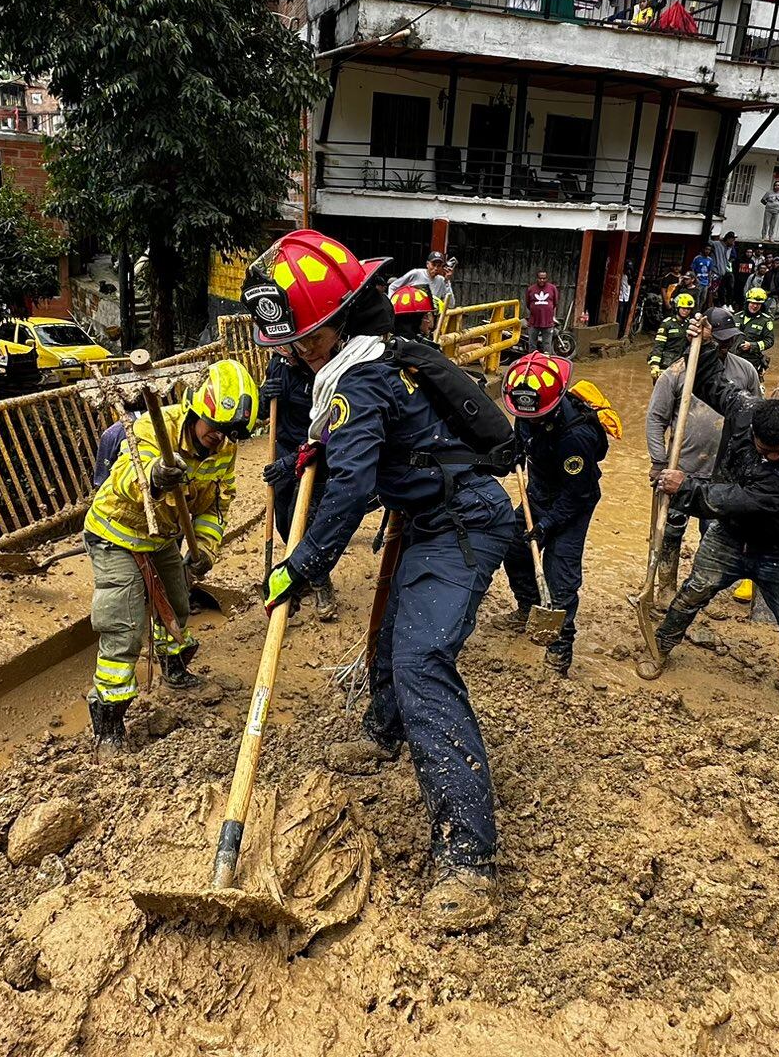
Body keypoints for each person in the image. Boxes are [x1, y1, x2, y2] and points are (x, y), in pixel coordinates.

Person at [245, 228, 519, 932]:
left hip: (463, 522)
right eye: (295, 346)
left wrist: (302, 566)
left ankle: (469, 858)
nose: (300, 356)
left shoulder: (360, 378)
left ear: (342, 322)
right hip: (428, 518)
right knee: (392, 631)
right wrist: (305, 458)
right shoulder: (369, 365)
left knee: (422, 659)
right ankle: (384, 729)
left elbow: (355, 485)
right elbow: (364, 462)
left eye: (308, 342)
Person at [83, 359, 257, 754]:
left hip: (162, 537)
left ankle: (175, 672)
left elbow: (217, 503)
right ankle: (108, 719)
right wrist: (156, 479)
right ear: (196, 409)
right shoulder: (151, 429)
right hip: (117, 532)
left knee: (177, 605)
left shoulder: (223, 450)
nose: (220, 437)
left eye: (230, 431)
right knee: (123, 623)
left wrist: (206, 547)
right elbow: (128, 478)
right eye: (215, 425)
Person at [648, 315, 779, 701]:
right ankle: (659, 647)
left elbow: (738, 499)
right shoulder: (748, 411)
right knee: (693, 592)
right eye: (762, 450)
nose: (770, 458)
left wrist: (686, 487)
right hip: (730, 537)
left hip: (778, 547)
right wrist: (706, 344)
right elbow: (711, 382)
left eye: (777, 454)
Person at [496, 353, 609, 676]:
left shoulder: (576, 437)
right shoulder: (527, 406)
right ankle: (527, 607)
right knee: (514, 551)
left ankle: (559, 651)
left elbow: (578, 495)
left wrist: (546, 525)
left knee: (561, 580)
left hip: (572, 504)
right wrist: (516, 450)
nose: (526, 419)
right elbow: (522, 436)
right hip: (538, 493)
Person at [646, 315, 758, 600]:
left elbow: (757, 416)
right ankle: (665, 588)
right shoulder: (676, 372)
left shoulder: (745, 371)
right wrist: (659, 462)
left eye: (729, 340)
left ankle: (701, 593)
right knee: (670, 531)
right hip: (680, 469)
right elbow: (656, 419)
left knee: (716, 536)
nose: (724, 345)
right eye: (718, 340)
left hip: (722, 474)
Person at [259, 339, 342, 622]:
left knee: (303, 520)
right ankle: (300, 572)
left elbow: (331, 431)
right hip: (284, 447)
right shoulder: (278, 365)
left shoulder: (327, 371)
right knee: (283, 520)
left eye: (288, 352)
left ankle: (320, 582)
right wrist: (264, 397)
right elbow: (261, 415)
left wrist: (290, 462)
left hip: (316, 451)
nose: (285, 358)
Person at [91, 392, 151, 488]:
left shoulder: (111, 434)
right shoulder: (162, 422)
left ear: (114, 408)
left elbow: (103, 480)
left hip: (129, 490)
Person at [648, 291, 698, 377]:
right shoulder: (667, 324)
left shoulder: (690, 325)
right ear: (677, 307)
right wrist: (655, 365)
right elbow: (659, 345)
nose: (686, 311)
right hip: (666, 365)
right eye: (683, 308)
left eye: (688, 309)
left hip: (681, 366)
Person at [736, 287, 777, 371]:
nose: (755, 306)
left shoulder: (766, 321)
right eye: (752, 303)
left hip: (752, 360)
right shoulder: (735, 317)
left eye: (758, 304)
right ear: (747, 302)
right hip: (734, 358)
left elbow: (769, 341)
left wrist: (752, 345)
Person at [521, 269, 560, 356]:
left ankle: (546, 363)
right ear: (537, 278)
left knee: (546, 345)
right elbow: (528, 304)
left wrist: (550, 314)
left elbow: (555, 303)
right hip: (533, 322)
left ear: (547, 279)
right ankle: (532, 362)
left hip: (548, 322)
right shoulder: (531, 289)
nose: (542, 280)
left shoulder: (552, 288)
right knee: (532, 345)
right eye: (540, 278)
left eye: (544, 278)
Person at [390, 280, 439, 345]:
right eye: (426, 316)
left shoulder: (389, 344)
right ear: (416, 320)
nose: (429, 321)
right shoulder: (425, 351)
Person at [614, 270, 635, 339]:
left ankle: (621, 331)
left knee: (623, 316)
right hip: (621, 298)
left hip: (625, 299)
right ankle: (618, 332)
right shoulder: (623, 276)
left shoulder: (627, 277)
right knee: (620, 315)